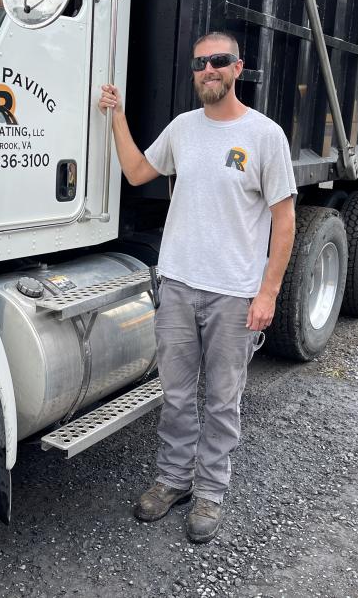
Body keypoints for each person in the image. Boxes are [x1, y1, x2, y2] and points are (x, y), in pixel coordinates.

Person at [98, 32, 297, 543]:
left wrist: (268, 293)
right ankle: (173, 482)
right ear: (194, 72)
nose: (209, 69)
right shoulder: (183, 129)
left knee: (222, 399)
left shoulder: (264, 135)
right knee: (177, 395)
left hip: (233, 294)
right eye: (200, 63)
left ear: (238, 68)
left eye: (219, 61)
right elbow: (139, 170)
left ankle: (210, 492)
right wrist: (116, 116)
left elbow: (285, 220)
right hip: (179, 285)